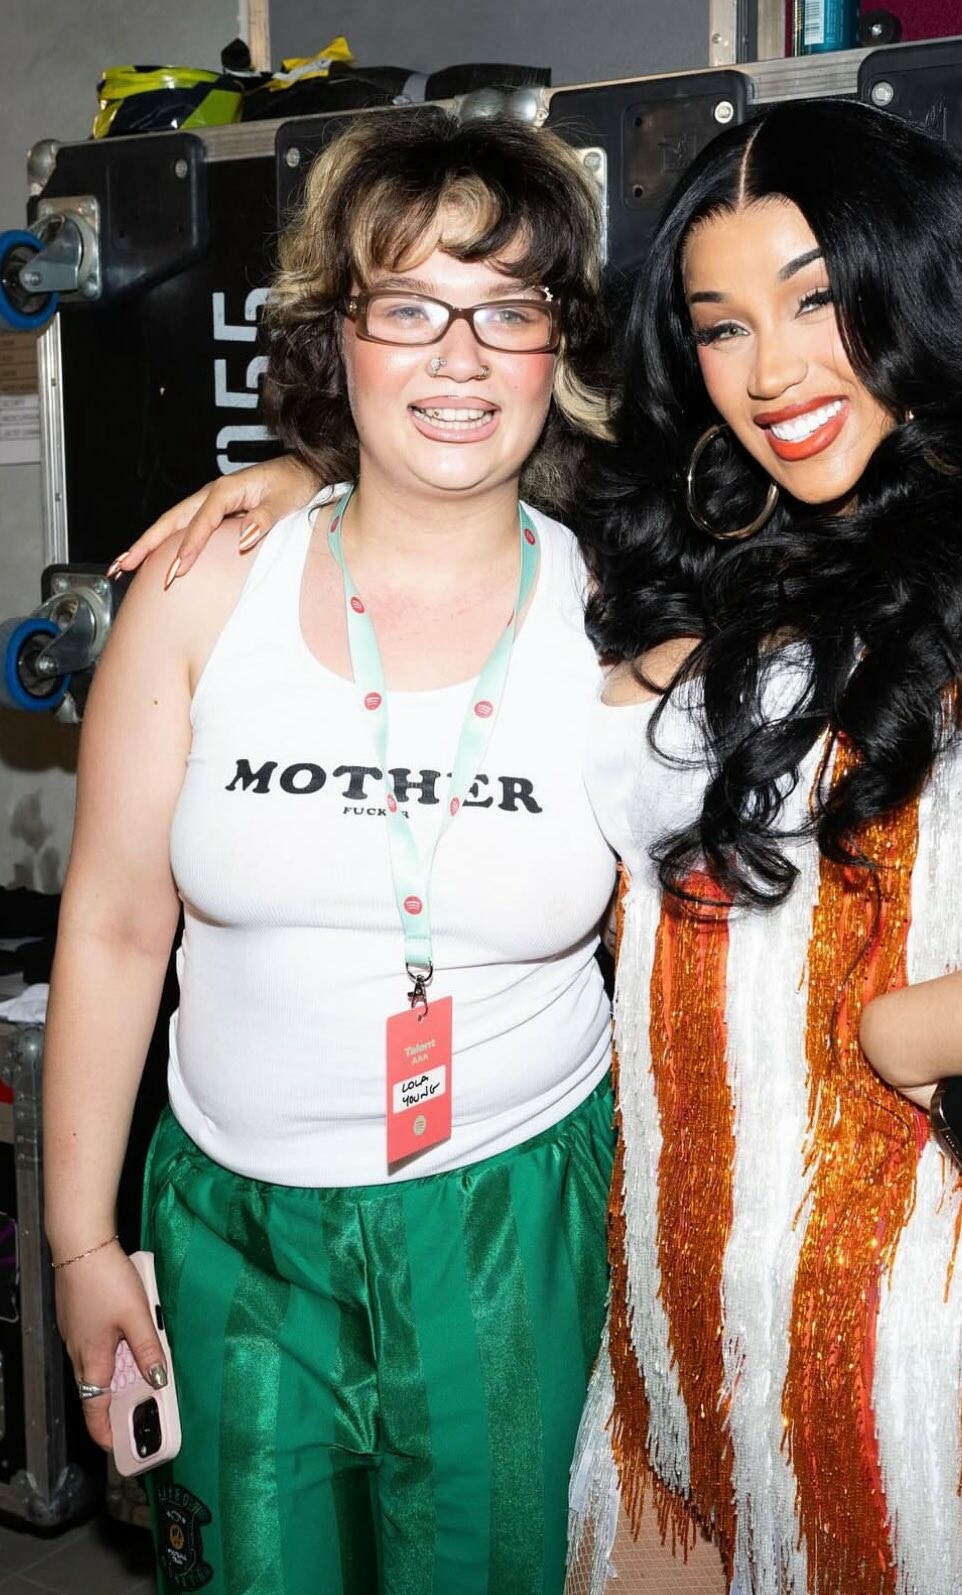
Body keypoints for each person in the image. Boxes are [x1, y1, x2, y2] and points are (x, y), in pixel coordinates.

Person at [116, 102, 962, 1595]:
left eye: (818, 300)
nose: (773, 371)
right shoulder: (711, 536)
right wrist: (303, 487)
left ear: (916, 288)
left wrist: (916, 1032)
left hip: (915, 1324)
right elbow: (452, 500)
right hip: (666, 1308)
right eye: (723, 325)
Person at [44, 108, 620, 1595]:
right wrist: (80, 1243)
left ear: (559, 347)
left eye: (509, 310)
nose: (459, 358)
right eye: (410, 307)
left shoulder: (627, 625)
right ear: (336, 336)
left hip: (511, 1221)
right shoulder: (206, 583)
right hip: (233, 1235)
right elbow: (114, 923)